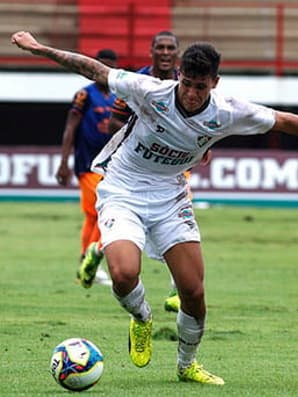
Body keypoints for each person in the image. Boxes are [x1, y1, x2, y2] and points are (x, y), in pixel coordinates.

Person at [11, 30, 298, 385]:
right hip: (123, 190)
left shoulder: (228, 111)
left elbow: (282, 119)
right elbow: (94, 70)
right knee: (124, 275)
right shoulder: (151, 91)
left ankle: (187, 365)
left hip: (171, 197)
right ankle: (141, 318)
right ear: (179, 76)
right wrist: (41, 48)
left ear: (214, 83)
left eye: (200, 86)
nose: (191, 93)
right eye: (186, 83)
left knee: (193, 291)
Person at [89, 30, 184, 311]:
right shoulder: (135, 82)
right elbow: (113, 124)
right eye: (161, 48)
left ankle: (175, 293)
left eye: (171, 48)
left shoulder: (187, 83)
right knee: (134, 228)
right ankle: (100, 249)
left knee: (177, 227)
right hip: (137, 169)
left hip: (175, 168)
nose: (166, 53)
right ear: (151, 51)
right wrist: (148, 136)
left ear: (177, 53)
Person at [55, 49, 118, 286]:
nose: (102, 72)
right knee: (104, 213)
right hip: (89, 165)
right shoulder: (84, 95)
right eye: (100, 66)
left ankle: (85, 263)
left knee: (93, 217)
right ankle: (89, 261)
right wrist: (64, 162)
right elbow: (70, 128)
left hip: (112, 166)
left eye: (108, 67)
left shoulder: (117, 96)